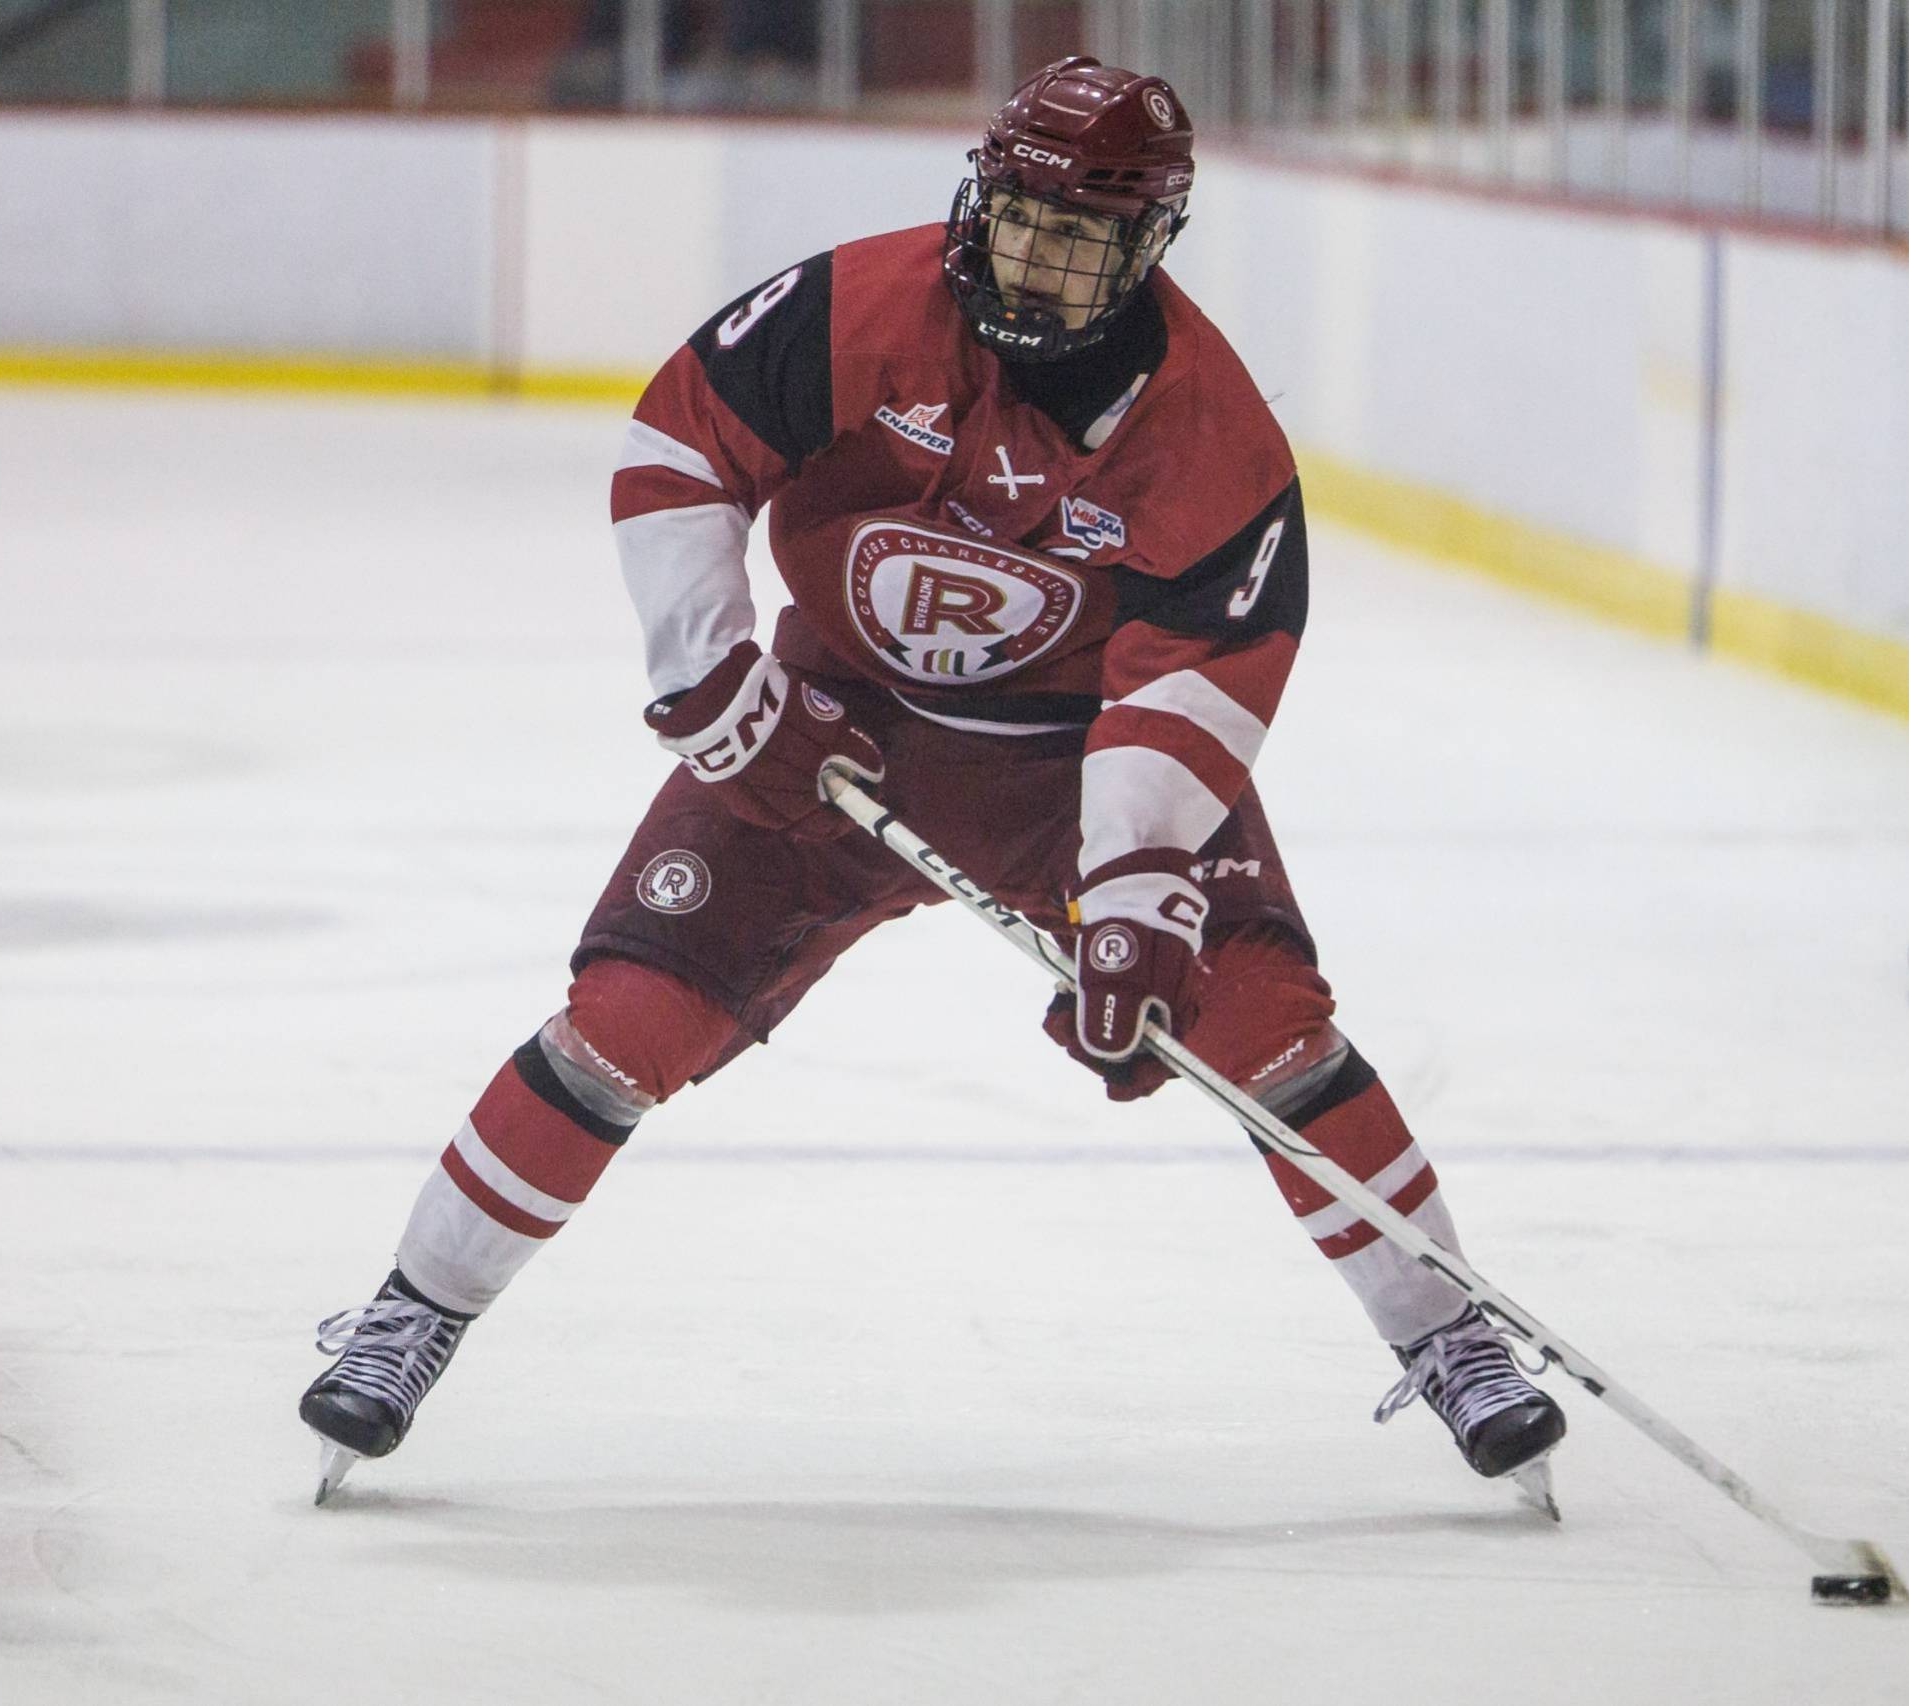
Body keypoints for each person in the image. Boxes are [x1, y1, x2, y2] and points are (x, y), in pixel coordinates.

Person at [298, 57, 1567, 1507]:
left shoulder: (1210, 434)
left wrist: (1140, 897)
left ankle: (1452, 1333)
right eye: (1022, 214)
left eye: (1079, 235)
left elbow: (1187, 684)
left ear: (1146, 245)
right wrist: (717, 684)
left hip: (1068, 762)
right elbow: (678, 449)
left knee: (1267, 1026)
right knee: (621, 1022)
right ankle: (411, 1310)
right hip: (821, 734)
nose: (1035, 254)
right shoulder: (861, 306)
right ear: (983, 190)